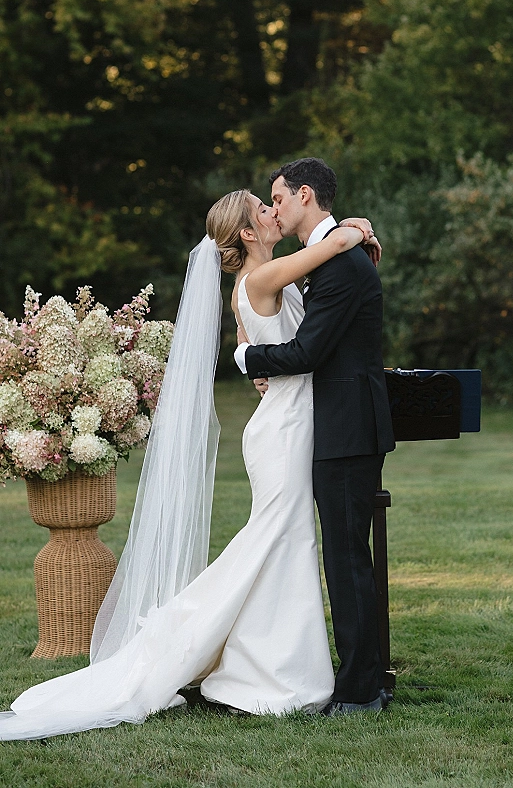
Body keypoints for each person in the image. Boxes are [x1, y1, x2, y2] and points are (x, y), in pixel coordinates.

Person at [0, 189, 377, 740]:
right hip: (286, 430)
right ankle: (246, 664)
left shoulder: (269, 277)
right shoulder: (263, 278)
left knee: (283, 541)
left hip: (293, 421)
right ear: (248, 233)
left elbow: (287, 328)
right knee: (278, 538)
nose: (275, 213)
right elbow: (337, 241)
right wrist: (353, 230)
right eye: (265, 209)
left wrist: (253, 355)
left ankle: (267, 667)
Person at [236, 158, 396, 715]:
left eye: (278, 198)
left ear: (305, 195)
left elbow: (307, 353)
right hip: (332, 425)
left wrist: (244, 356)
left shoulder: (341, 265)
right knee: (344, 555)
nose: (273, 207)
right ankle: (364, 678)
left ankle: (361, 690)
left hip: (347, 427)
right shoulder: (328, 258)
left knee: (347, 558)